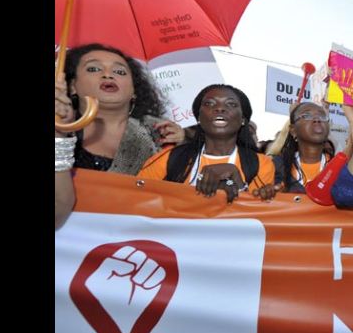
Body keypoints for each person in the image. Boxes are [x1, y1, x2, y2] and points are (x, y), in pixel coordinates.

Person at [55, 43, 184, 229]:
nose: (108, 75)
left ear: (134, 91)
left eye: (120, 72)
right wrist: (58, 136)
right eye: (93, 69)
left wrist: (187, 149)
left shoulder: (162, 135)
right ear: (72, 85)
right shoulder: (59, 130)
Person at [137, 84, 278, 203]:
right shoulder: (169, 158)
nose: (219, 109)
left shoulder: (261, 164)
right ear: (198, 117)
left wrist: (236, 184)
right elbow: (136, 198)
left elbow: (258, 218)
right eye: (209, 104)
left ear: (243, 119)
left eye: (231, 104)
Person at [273, 102, 334, 192]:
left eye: (322, 116)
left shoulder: (339, 168)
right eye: (306, 115)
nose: (317, 119)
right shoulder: (276, 166)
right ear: (293, 130)